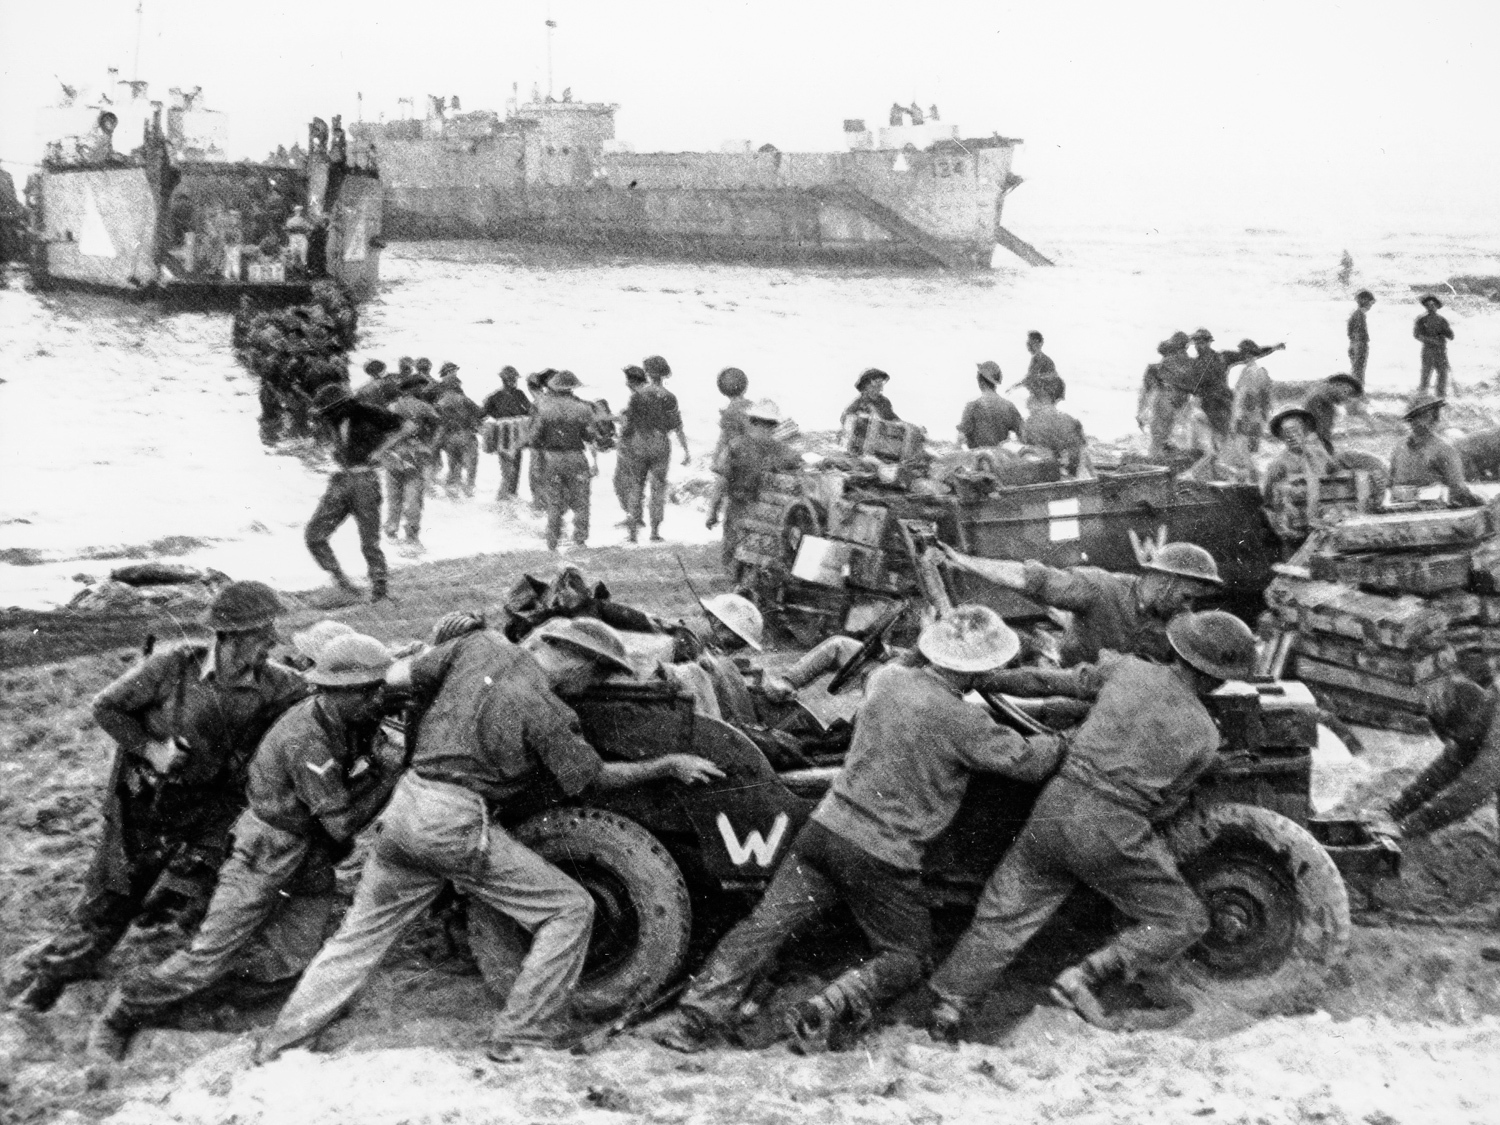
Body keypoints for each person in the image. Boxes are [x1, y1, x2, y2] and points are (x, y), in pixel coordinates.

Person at [255, 618, 725, 1062]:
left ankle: (281, 1042)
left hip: (407, 805)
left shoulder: (476, 644)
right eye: (597, 675)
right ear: (581, 664)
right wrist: (667, 765)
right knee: (570, 909)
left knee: (357, 937)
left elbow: (400, 678)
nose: (590, 687)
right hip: (453, 823)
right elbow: (594, 779)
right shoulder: (546, 708)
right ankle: (519, 1036)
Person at [658, 606, 1065, 1053]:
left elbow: (902, 665)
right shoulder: (965, 721)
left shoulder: (887, 681)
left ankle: (693, 1020)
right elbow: (1029, 763)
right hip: (882, 852)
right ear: (982, 668)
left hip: (823, 830)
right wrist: (1062, 741)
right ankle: (829, 1005)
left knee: (762, 928)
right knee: (909, 956)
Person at [926, 611, 1257, 1038]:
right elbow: (1166, 808)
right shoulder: (1206, 737)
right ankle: (1083, 976)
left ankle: (949, 1010)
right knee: (1184, 918)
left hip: (1054, 806)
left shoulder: (1128, 669)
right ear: (1220, 678)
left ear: (1178, 649)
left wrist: (984, 680)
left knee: (1003, 917)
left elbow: (1049, 682)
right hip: (1113, 826)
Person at [85, 634, 405, 1061]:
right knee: (207, 955)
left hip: (305, 847)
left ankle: (232, 1000)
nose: (378, 700)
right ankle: (121, 1014)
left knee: (296, 947)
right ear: (337, 692)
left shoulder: (344, 718)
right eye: (369, 691)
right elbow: (342, 823)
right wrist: (385, 775)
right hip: (267, 849)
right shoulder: (307, 740)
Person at [4, 583, 306, 1014]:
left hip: (217, 806)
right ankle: (57, 973)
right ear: (230, 637)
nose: (273, 641)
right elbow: (105, 707)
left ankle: (184, 957)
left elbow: (310, 704)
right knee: (111, 896)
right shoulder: (172, 669)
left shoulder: (278, 685)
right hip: (149, 801)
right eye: (262, 633)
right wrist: (151, 748)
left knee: (217, 889)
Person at [938, 539, 1224, 667]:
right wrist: (967, 563)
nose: (1187, 608)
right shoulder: (1100, 588)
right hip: (1073, 690)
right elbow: (1035, 579)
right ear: (1166, 581)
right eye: (1185, 597)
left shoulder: (1179, 623)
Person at [304, 383, 408, 602]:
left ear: (344, 405)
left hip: (365, 479)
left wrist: (381, 450)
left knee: (369, 541)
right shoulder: (332, 419)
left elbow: (408, 426)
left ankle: (379, 589)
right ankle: (343, 582)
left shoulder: (368, 412)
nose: (328, 415)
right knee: (314, 535)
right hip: (342, 478)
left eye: (330, 411)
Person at [1364, 676, 1500, 842]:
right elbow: (1448, 764)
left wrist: (1407, 828)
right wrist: (1393, 812)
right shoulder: (1486, 708)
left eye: (1454, 735)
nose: (1451, 742)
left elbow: (1474, 788)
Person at [719, 399, 801, 570]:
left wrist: (712, 510)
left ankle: (735, 582)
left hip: (739, 506)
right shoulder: (783, 450)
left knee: (733, 549)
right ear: (774, 425)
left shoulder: (736, 445)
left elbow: (722, 480)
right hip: (770, 513)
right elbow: (798, 468)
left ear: (751, 421)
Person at [526, 370, 599, 551]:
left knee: (554, 501)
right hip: (576, 457)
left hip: (552, 459)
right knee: (581, 501)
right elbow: (590, 437)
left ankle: (552, 542)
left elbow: (534, 438)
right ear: (572, 388)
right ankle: (580, 540)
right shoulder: (584, 408)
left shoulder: (544, 408)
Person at [619, 355, 688, 542]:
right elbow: (677, 426)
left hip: (639, 442)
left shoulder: (638, 395)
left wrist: (623, 441)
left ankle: (632, 534)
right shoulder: (670, 397)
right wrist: (686, 450)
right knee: (658, 488)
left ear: (647, 373)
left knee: (636, 486)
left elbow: (629, 425)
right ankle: (655, 532)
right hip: (660, 443)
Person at [1390, 392, 1481, 506]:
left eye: (1425, 417)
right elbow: (1390, 481)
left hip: (1423, 508)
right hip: (1407, 507)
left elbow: (1458, 487)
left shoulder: (1444, 450)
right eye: (1415, 418)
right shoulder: (1400, 447)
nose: (1418, 422)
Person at [382, 376, 442, 548]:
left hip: (393, 454)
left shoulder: (391, 407)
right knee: (413, 495)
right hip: (414, 454)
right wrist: (431, 445)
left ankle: (391, 531)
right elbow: (439, 425)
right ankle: (412, 534)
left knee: (394, 495)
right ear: (412, 388)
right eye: (420, 387)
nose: (423, 390)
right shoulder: (423, 406)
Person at [1261, 406, 1333, 531]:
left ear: (1305, 431)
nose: (1292, 436)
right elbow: (1268, 497)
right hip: (1294, 523)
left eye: (1295, 431)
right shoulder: (1279, 464)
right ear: (1281, 437)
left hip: (1325, 517)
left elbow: (1335, 474)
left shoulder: (1319, 455)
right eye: (1286, 433)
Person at [706, 366, 751, 531]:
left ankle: (712, 513)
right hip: (753, 460)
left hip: (738, 463)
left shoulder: (730, 412)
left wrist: (716, 461)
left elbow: (726, 441)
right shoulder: (753, 406)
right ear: (745, 385)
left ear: (722, 390)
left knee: (721, 482)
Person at [1018, 369, 1086, 476]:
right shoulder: (1070, 421)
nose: (1027, 400)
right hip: (1060, 479)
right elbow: (1075, 460)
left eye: (1032, 394)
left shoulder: (1028, 424)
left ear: (1041, 395)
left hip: (1036, 478)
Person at [481, 366, 532, 500]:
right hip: (511, 435)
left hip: (507, 436)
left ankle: (508, 497)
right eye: (512, 379)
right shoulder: (515, 395)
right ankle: (506, 498)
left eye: (513, 379)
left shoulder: (496, 396)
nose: (513, 381)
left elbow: (482, 415)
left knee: (510, 470)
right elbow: (530, 411)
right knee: (511, 470)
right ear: (507, 380)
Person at [434, 364, 484, 496]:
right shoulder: (463, 399)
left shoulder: (441, 401)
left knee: (453, 466)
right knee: (471, 467)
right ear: (456, 386)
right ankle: (469, 492)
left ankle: (452, 494)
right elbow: (479, 413)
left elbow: (437, 419)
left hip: (449, 437)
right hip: (466, 436)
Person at [956, 361, 1024, 449]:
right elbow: (1023, 435)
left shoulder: (972, 406)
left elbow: (960, 439)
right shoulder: (1009, 406)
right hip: (1002, 459)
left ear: (980, 380)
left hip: (981, 460)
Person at [1228, 339, 1279, 453]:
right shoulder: (1259, 371)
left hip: (1247, 415)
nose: (1244, 356)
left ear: (1250, 354)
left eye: (1245, 353)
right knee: (1252, 448)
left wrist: (1236, 417)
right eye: (1243, 353)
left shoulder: (1250, 372)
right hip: (1255, 415)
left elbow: (1241, 396)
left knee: (1245, 448)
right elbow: (1267, 397)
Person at [613, 366, 649, 519]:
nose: (626, 384)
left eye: (628, 380)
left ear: (632, 380)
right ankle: (636, 516)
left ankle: (633, 517)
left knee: (621, 482)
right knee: (636, 482)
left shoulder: (637, 397)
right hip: (646, 444)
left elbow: (630, 424)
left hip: (632, 445)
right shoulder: (648, 395)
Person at [1301, 373, 1364, 456]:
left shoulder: (1325, 400)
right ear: (1337, 385)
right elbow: (1320, 435)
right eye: (1346, 392)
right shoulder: (1319, 400)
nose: (1346, 398)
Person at [524, 370, 555, 512]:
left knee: (537, 476)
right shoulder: (553, 399)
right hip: (552, 445)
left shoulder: (540, 400)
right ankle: (546, 507)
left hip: (539, 444)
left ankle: (539, 506)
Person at [1414, 295, 1454, 396]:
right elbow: (1417, 335)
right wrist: (1431, 340)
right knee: (1426, 374)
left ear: (1437, 306)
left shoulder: (1442, 320)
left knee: (1442, 374)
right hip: (1428, 351)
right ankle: (1422, 396)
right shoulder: (1421, 320)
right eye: (1427, 305)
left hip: (1441, 351)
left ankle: (1441, 396)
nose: (1430, 307)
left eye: (1432, 305)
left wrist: (1445, 333)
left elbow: (1451, 335)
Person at [1348, 290, 1375, 388]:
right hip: (1359, 344)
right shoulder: (1359, 315)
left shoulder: (1356, 314)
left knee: (1356, 370)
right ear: (1363, 300)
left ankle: (1356, 390)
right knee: (1359, 371)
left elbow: (1350, 332)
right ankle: (1357, 391)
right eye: (1370, 302)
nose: (1371, 305)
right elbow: (1357, 333)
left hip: (1355, 344)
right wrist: (1359, 344)